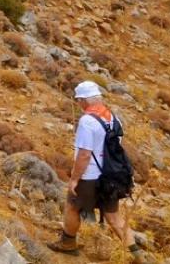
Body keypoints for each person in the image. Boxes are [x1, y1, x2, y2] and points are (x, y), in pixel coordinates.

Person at [48, 81, 140, 258]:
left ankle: (67, 243)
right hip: (110, 177)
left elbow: (84, 155)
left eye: (78, 100)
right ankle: (138, 257)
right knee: (114, 218)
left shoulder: (87, 121)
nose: (78, 104)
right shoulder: (113, 118)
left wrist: (74, 179)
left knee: (73, 207)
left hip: (89, 176)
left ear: (84, 100)